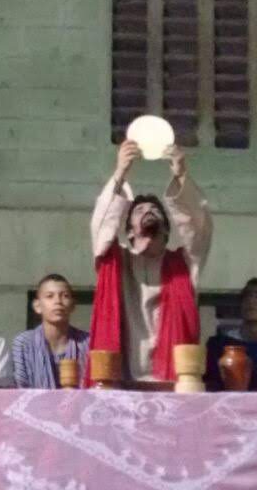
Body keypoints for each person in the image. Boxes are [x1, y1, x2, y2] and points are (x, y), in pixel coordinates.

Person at [88, 140, 212, 382]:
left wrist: (181, 176)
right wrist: (120, 173)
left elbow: (199, 228)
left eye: (155, 211)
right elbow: (100, 226)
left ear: (166, 231)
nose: (148, 211)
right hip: (120, 381)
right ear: (129, 232)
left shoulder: (184, 266)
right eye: (139, 210)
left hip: (173, 383)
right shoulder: (115, 261)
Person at [12, 274, 90, 389]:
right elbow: (20, 389)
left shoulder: (87, 343)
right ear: (37, 306)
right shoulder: (24, 343)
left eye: (65, 296)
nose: (58, 301)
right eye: (50, 296)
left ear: (73, 305)